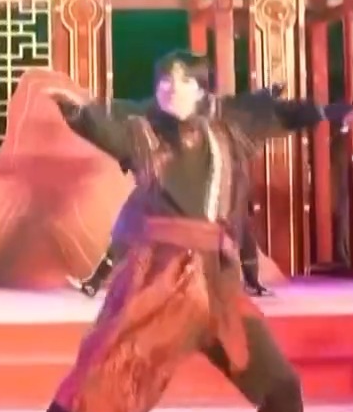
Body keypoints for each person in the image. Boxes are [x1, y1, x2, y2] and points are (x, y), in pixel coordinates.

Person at [30, 50, 353, 412]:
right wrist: (75, 111)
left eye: (183, 80)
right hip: (158, 281)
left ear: (201, 89)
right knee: (94, 377)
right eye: (165, 81)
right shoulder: (141, 129)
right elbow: (103, 126)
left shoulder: (229, 126)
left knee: (281, 384)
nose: (172, 88)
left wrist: (339, 111)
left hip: (218, 286)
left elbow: (282, 115)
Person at [71, 85, 287, 300]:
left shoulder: (220, 122)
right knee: (129, 222)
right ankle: (95, 282)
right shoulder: (174, 120)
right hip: (172, 185)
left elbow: (247, 114)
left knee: (239, 228)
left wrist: (268, 96)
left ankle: (249, 281)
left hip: (221, 185)